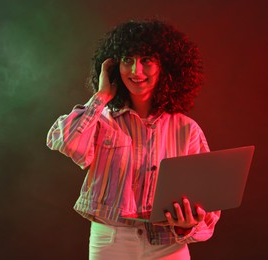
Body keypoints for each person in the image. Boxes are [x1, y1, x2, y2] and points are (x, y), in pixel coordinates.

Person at [46, 19, 221, 260]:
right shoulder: (101, 119)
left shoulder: (187, 130)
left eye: (146, 60)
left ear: (165, 67)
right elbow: (67, 144)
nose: (135, 71)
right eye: (127, 60)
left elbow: (209, 206)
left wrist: (186, 225)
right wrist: (102, 96)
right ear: (114, 66)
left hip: (167, 243)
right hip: (110, 241)